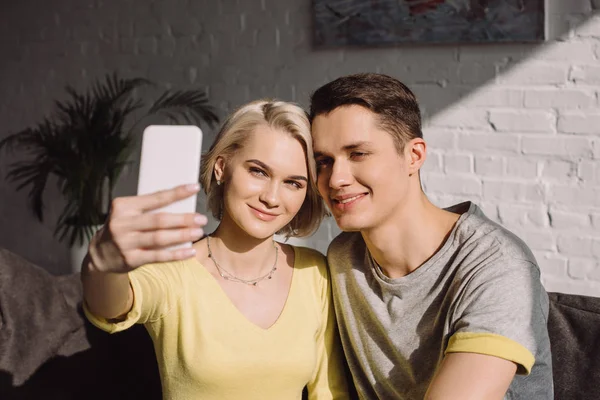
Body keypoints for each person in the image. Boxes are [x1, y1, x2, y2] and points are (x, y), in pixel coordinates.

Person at [82, 99, 349, 400]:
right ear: (222, 167)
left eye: (293, 183)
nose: (272, 198)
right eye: (259, 171)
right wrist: (101, 264)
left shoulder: (314, 272)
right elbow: (110, 307)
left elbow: (329, 392)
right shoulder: (175, 269)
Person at [309, 73, 553, 399]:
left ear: (414, 155)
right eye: (324, 161)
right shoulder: (343, 257)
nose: (335, 179)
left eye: (358, 154)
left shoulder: (498, 264)